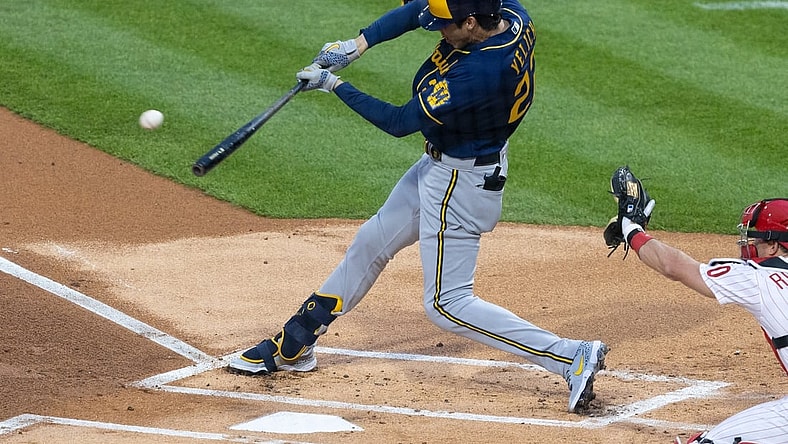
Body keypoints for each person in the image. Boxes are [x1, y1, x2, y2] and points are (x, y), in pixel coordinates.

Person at [227, 0, 608, 413]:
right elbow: (416, 12)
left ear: (470, 22)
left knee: (448, 304)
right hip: (444, 163)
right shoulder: (510, 16)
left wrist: (333, 84)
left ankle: (570, 355)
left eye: (447, 24)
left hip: (460, 184)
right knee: (373, 239)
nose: (437, 27)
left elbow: (398, 122)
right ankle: (296, 342)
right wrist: (358, 44)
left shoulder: (478, 74)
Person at [617, 197, 788, 444]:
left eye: (757, 240)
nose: (750, 245)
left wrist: (631, 230)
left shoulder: (759, 278)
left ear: (773, 247)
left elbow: (673, 266)